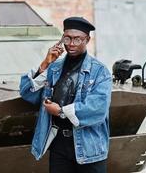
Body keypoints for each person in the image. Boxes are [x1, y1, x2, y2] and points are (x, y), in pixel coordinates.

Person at [19, 16, 112, 173]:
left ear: (87, 40)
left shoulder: (100, 72)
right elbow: (27, 93)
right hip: (59, 145)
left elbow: (98, 109)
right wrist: (45, 63)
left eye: (77, 39)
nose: (70, 44)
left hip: (89, 146)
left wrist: (61, 112)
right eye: (67, 38)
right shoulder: (54, 68)